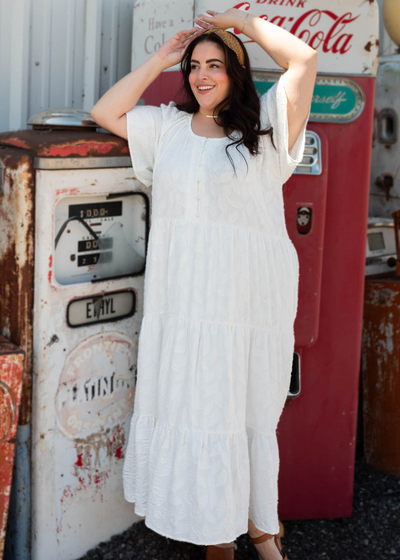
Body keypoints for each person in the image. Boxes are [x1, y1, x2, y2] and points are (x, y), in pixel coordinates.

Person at [91, 7, 317, 560]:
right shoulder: (166, 126)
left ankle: (261, 535)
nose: (202, 75)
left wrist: (244, 21)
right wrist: (161, 59)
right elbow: (105, 111)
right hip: (182, 303)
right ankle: (221, 540)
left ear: (237, 73)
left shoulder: (266, 133)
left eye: (215, 65)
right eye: (194, 65)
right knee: (197, 411)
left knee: (237, 415)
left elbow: (304, 59)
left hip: (242, 304)